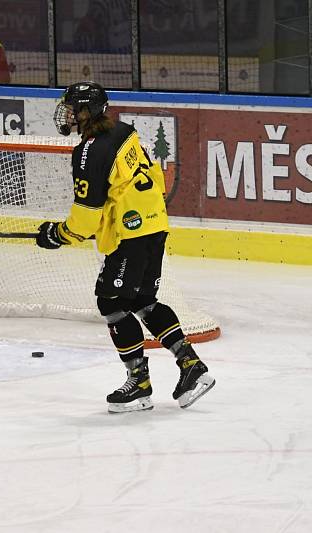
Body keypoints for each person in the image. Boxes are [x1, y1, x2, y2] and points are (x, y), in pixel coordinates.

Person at [38, 81, 215, 413]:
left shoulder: (90, 151)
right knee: (144, 301)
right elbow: (153, 181)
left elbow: (85, 220)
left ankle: (140, 384)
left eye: (73, 108)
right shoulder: (125, 132)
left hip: (130, 237)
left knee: (111, 303)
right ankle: (191, 366)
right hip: (155, 225)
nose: (69, 114)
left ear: (86, 112)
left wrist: (57, 234)